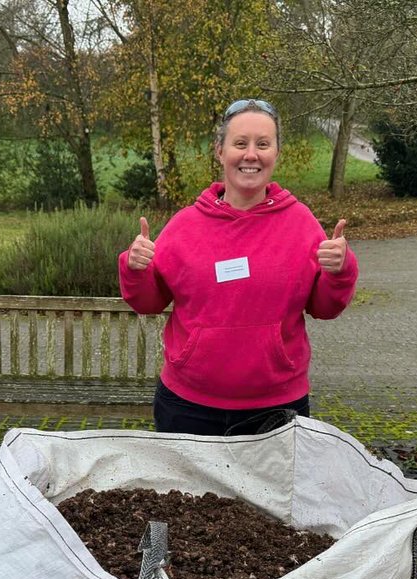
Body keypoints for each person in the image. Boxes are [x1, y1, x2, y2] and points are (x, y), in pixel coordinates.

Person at [118, 97, 358, 436]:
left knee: (270, 492)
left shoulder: (301, 224)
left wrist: (339, 271)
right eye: (240, 143)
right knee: (186, 492)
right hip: (188, 406)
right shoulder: (185, 225)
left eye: (263, 144)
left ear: (277, 152)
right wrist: (135, 268)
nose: (251, 155)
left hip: (276, 406)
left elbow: (325, 307)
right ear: (220, 151)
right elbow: (147, 302)